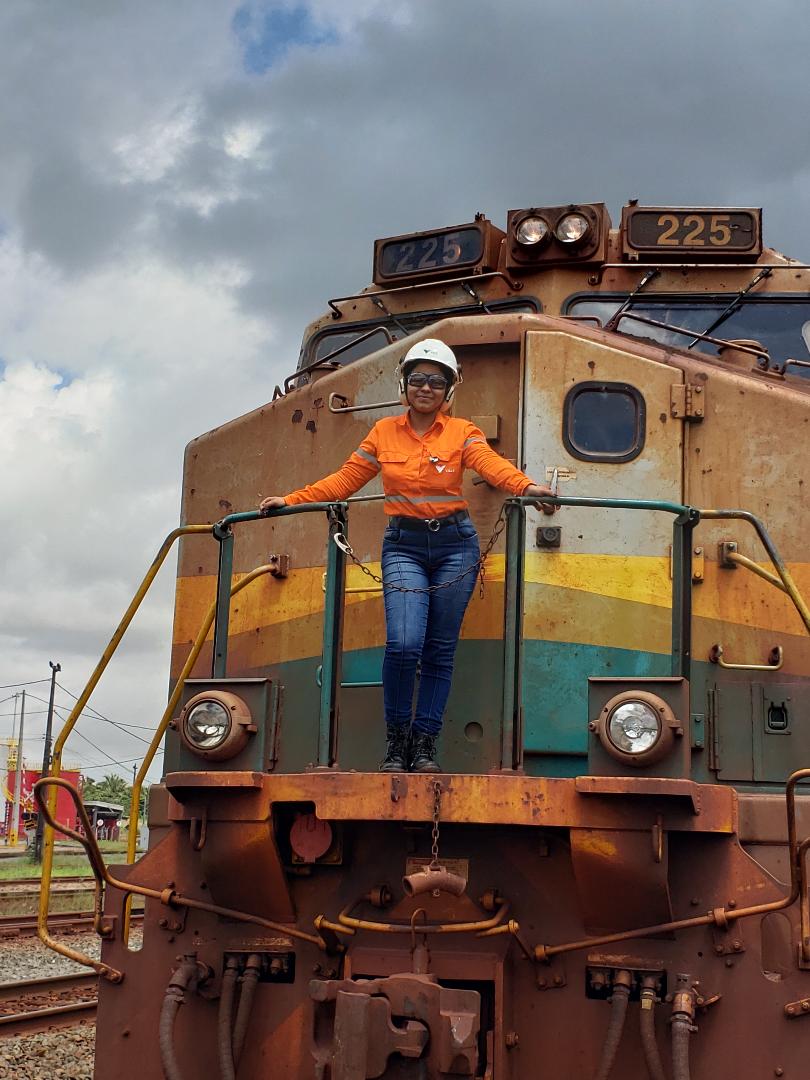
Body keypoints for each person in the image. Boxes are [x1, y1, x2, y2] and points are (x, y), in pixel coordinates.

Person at [260, 339, 557, 773]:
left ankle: (424, 746)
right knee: (403, 643)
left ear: (449, 390)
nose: (426, 387)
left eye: (436, 381)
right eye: (417, 378)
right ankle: (396, 742)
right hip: (404, 546)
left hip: (456, 545)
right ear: (404, 383)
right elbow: (345, 480)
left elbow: (492, 465)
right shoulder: (383, 433)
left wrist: (528, 489)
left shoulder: (463, 433)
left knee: (439, 650)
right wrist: (292, 499)